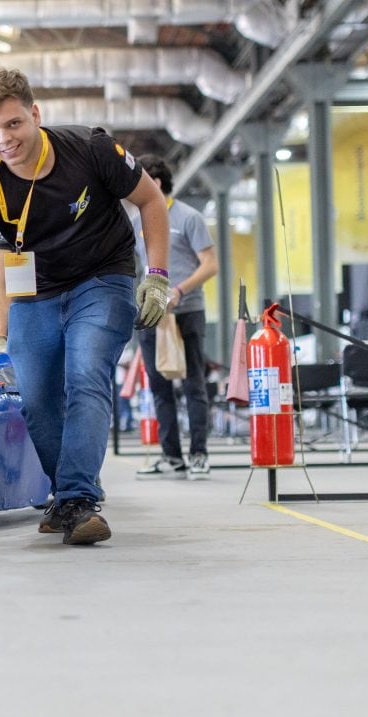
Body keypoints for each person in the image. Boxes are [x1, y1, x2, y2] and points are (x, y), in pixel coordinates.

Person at [0, 67, 171, 545]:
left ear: (35, 113)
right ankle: (68, 496)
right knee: (36, 400)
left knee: (86, 375)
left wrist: (157, 276)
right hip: (36, 293)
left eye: (13, 124)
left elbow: (151, 201)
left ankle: (76, 499)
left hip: (102, 278)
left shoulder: (90, 149)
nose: (4, 140)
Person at [133, 155, 219, 479]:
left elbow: (210, 264)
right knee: (159, 387)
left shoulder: (188, 217)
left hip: (188, 310)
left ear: (155, 183)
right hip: (152, 314)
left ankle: (199, 454)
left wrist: (180, 290)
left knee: (193, 383)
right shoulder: (136, 222)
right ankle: (172, 456)